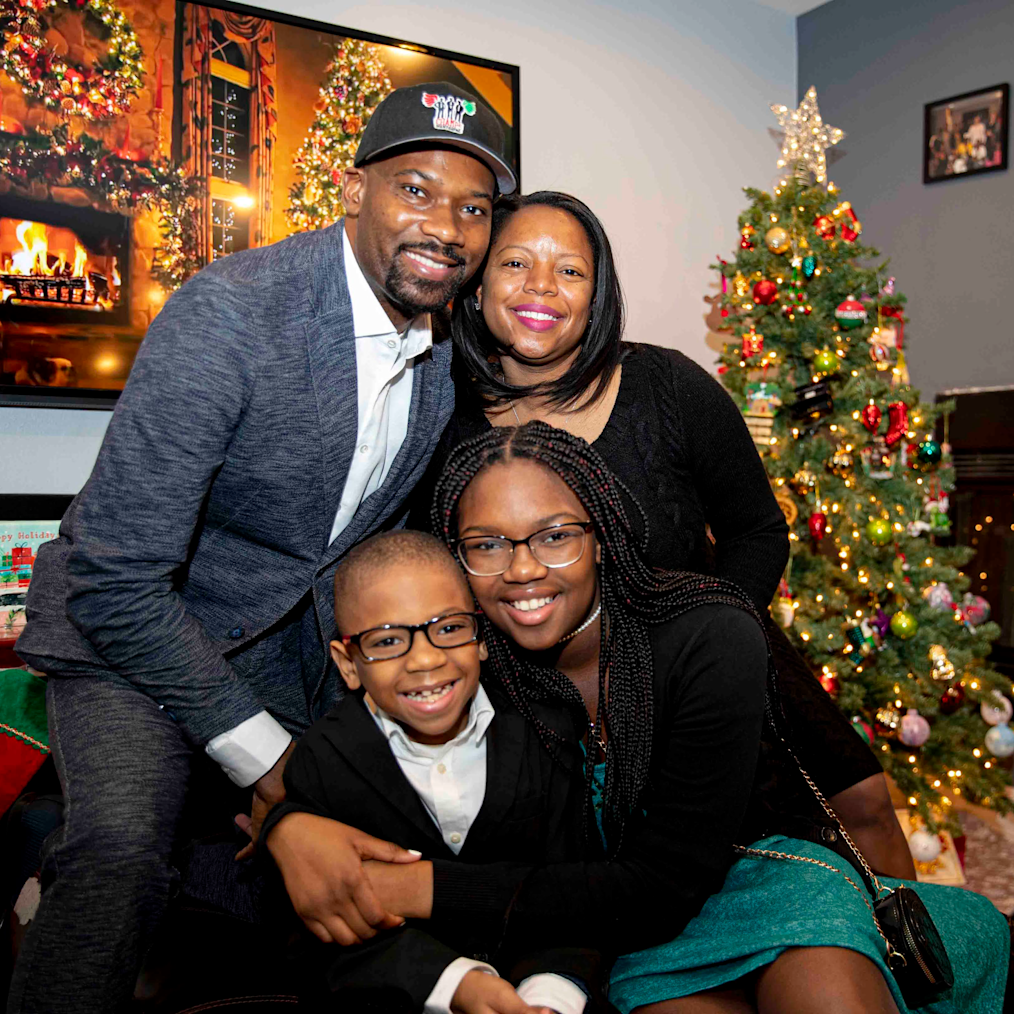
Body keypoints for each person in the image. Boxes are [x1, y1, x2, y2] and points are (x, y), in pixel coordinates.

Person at [8, 81, 516, 1014]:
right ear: (353, 190)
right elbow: (116, 580)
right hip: (129, 639)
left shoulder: (445, 351)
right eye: (415, 190)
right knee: (121, 854)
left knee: (360, 855)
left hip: (285, 654)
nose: (446, 226)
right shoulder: (231, 315)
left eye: (474, 208)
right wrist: (276, 768)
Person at [366, 422, 1005, 1014]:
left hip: (764, 885)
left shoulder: (707, 633)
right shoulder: (463, 671)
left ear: (601, 536)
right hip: (620, 939)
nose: (523, 569)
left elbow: (668, 880)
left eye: (555, 536)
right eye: (487, 545)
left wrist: (424, 889)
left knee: (826, 992)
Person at [424, 189, 912, 879]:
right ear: (476, 288)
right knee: (665, 865)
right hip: (550, 700)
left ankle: (907, 945)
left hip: (713, 663)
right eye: (515, 263)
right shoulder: (441, 417)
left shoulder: (666, 384)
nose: (542, 286)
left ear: (596, 296)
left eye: (570, 270)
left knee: (861, 803)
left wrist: (709, 649)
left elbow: (757, 530)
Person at [262, 529, 610, 1014]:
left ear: (480, 638)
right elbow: (322, 929)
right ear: (348, 664)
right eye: (387, 641)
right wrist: (455, 985)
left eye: (448, 629)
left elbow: (575, 892)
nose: (425, 659)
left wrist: (549, 995)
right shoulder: (324, 759)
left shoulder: (546, 732)